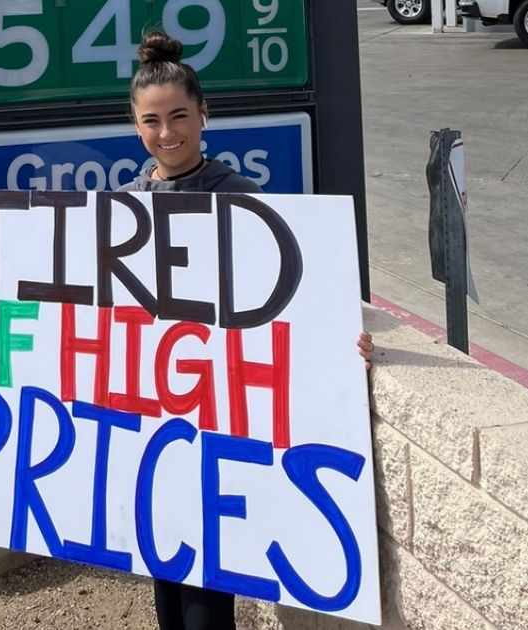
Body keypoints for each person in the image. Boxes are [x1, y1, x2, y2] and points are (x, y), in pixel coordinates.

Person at [118, 30, 375, 630]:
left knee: (209, 603)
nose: (167, 134)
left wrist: (342, 346)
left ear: (205, 113)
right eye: (151, 121)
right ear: (135, 126)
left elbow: (292, 308)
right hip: (152, 428)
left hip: (222, 432)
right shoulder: (121, 209)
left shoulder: (245, 201)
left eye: (179, 116)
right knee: (167, 586)